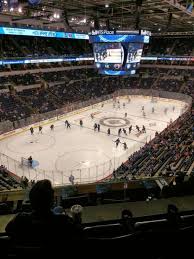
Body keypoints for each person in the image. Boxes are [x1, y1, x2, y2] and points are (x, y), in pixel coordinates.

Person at [5, 180, 83, 248]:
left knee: (58, 209)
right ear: (52, 202)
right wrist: (77, 219)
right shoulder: (63, 220)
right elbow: (78, 232)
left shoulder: (20, 219)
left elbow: (8, 230)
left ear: (31, 202)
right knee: (59, 208)